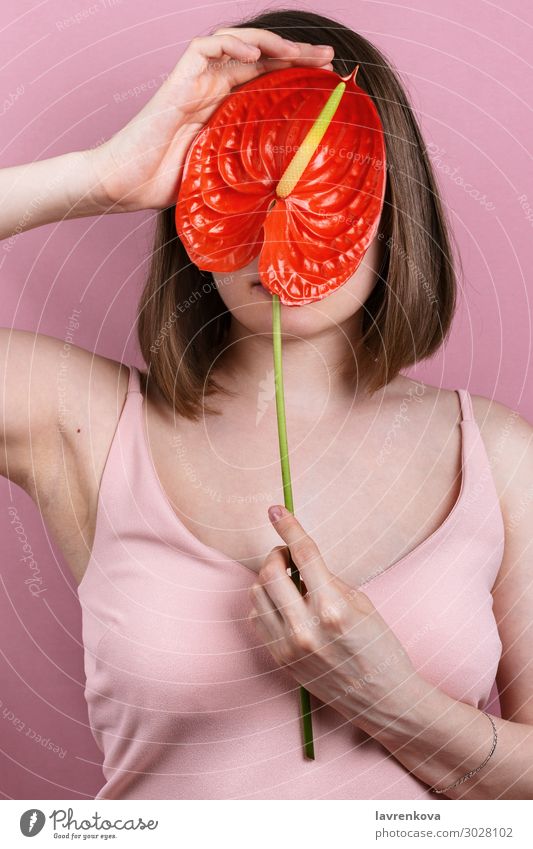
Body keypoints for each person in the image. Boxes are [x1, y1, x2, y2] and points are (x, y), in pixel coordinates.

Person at [1, 8, 532, 801]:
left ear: (389, 207)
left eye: (324, 177)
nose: (276, 229)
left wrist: (392, 699)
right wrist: (102, 177)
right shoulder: (82, 425)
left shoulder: (492, 452)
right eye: (243, 173)